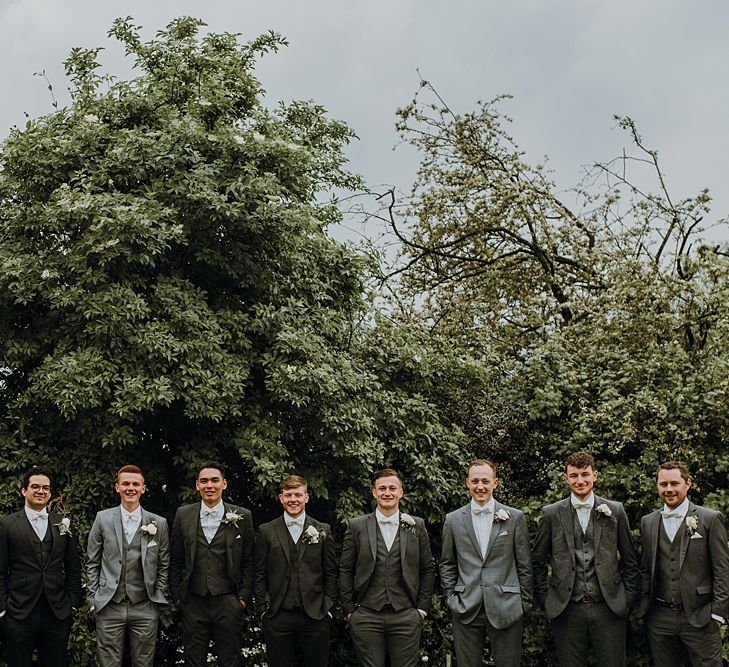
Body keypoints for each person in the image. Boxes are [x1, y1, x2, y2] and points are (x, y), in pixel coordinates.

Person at [531, 452, 639, 667]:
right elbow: (536, 561)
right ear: (566, 478)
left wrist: (626, 598)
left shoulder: (614, 510)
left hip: (609, 606)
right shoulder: (551, 513)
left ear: (595, 475)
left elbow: (630, 560)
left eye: (584, 474)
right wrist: (547, 598)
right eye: (574, 475)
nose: (580, 480)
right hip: (567, 608)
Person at [339, 468, 435, 667]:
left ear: (401, 492)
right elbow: (346, 569)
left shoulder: (417, 526)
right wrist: (349, 610)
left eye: (393, 488)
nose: (387, 493)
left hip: (406, 614)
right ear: (374, 493)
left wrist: (422, 610)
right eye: (382, 488)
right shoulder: (356, 526)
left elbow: (427, 569)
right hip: (366, 614)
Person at [440, 459, 532, 667]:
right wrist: (451, 598)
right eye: (475, 481)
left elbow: (524, 563)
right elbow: (447, 563)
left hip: (507, 605)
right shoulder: (453, 519)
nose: (480, 486)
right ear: (467, 483)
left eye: (485, 481)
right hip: (466, 605)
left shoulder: (514, 518)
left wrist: (523, 603)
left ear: (495, 483)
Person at [638, 460, 729, 667]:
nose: (668, 489)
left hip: (701, 617)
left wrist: (717, 615)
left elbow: (723, 570)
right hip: (660, 618)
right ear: (657, 486)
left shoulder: (710, 519)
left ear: (688, 484)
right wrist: (644, 607)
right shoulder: (648, 522)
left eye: (674, 483)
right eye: (663, 484)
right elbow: (645, 568)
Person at [170, 461, 254, 667]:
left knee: (231, 660)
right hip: (193, 601)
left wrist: (242, 598)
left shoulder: (243, 516)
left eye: (215, 480)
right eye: (204, 481)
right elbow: (175, 560)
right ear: (197, 485)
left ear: (224, 484)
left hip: (228, 600)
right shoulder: (183, 514)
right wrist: (179, 597)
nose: (210, 485)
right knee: (193, 660)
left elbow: (250, 561)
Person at [86, 464, 170, 666]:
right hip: (109, 605)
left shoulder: (158, 523)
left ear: (143, 488)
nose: (130, 488)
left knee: (144, 662)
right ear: (117, 487)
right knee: (108, 663)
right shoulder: (102, 518)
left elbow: (163, 564)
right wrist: (92, 599)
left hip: (145, 605)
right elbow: (92, 562)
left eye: (135, 484)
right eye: (125, 484)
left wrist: (158, 597)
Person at [0, 467, 82, 667]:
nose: (40, 491)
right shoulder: (7, 524)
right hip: (19, 611)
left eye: (45, 488)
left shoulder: (63, 524)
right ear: (24, 491)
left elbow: (73, 568)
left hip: (56, 612)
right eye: (35, 487)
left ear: (50, 493)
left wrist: (72, 602)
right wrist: (3, 608)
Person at [254, 475, 337, 667]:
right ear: (281, 498)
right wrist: (262, 609)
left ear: (306, 497)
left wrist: (328, 608)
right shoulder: (266, 531)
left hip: (316, 615)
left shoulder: (322, 529)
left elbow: (331, 572)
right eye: (288, 495)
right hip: (277, 614)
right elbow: (259, 573)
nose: (293, 499)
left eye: (298, 495)